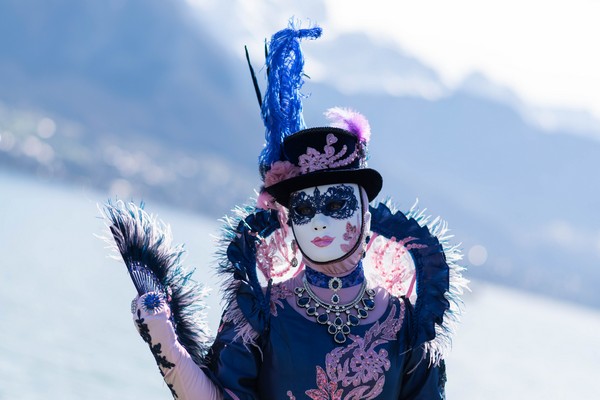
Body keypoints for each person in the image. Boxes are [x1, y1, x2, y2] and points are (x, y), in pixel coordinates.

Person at [103, 22, 467, 400]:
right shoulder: (261, 316)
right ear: (288, 220)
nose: (321, 221)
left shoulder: (407, 324)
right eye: (305, 209)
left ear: (365, 214)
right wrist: (169, 351)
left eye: (338, 204)